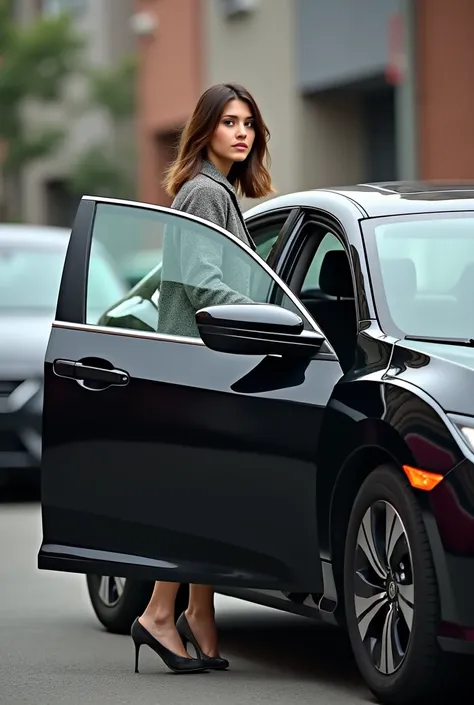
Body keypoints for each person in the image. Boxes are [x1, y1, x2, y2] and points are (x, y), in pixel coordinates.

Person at [130, 83, 273, 675]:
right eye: (229, 123)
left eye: (249, 125)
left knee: (206, 495)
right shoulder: (202, 194)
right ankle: (159, 614)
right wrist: (265, 317)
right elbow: (198, 282)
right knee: (194, 499)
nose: (242, 133)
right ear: (206, 129)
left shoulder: (219, 193)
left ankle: (199, 617)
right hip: (196, 367)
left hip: (205, 367)